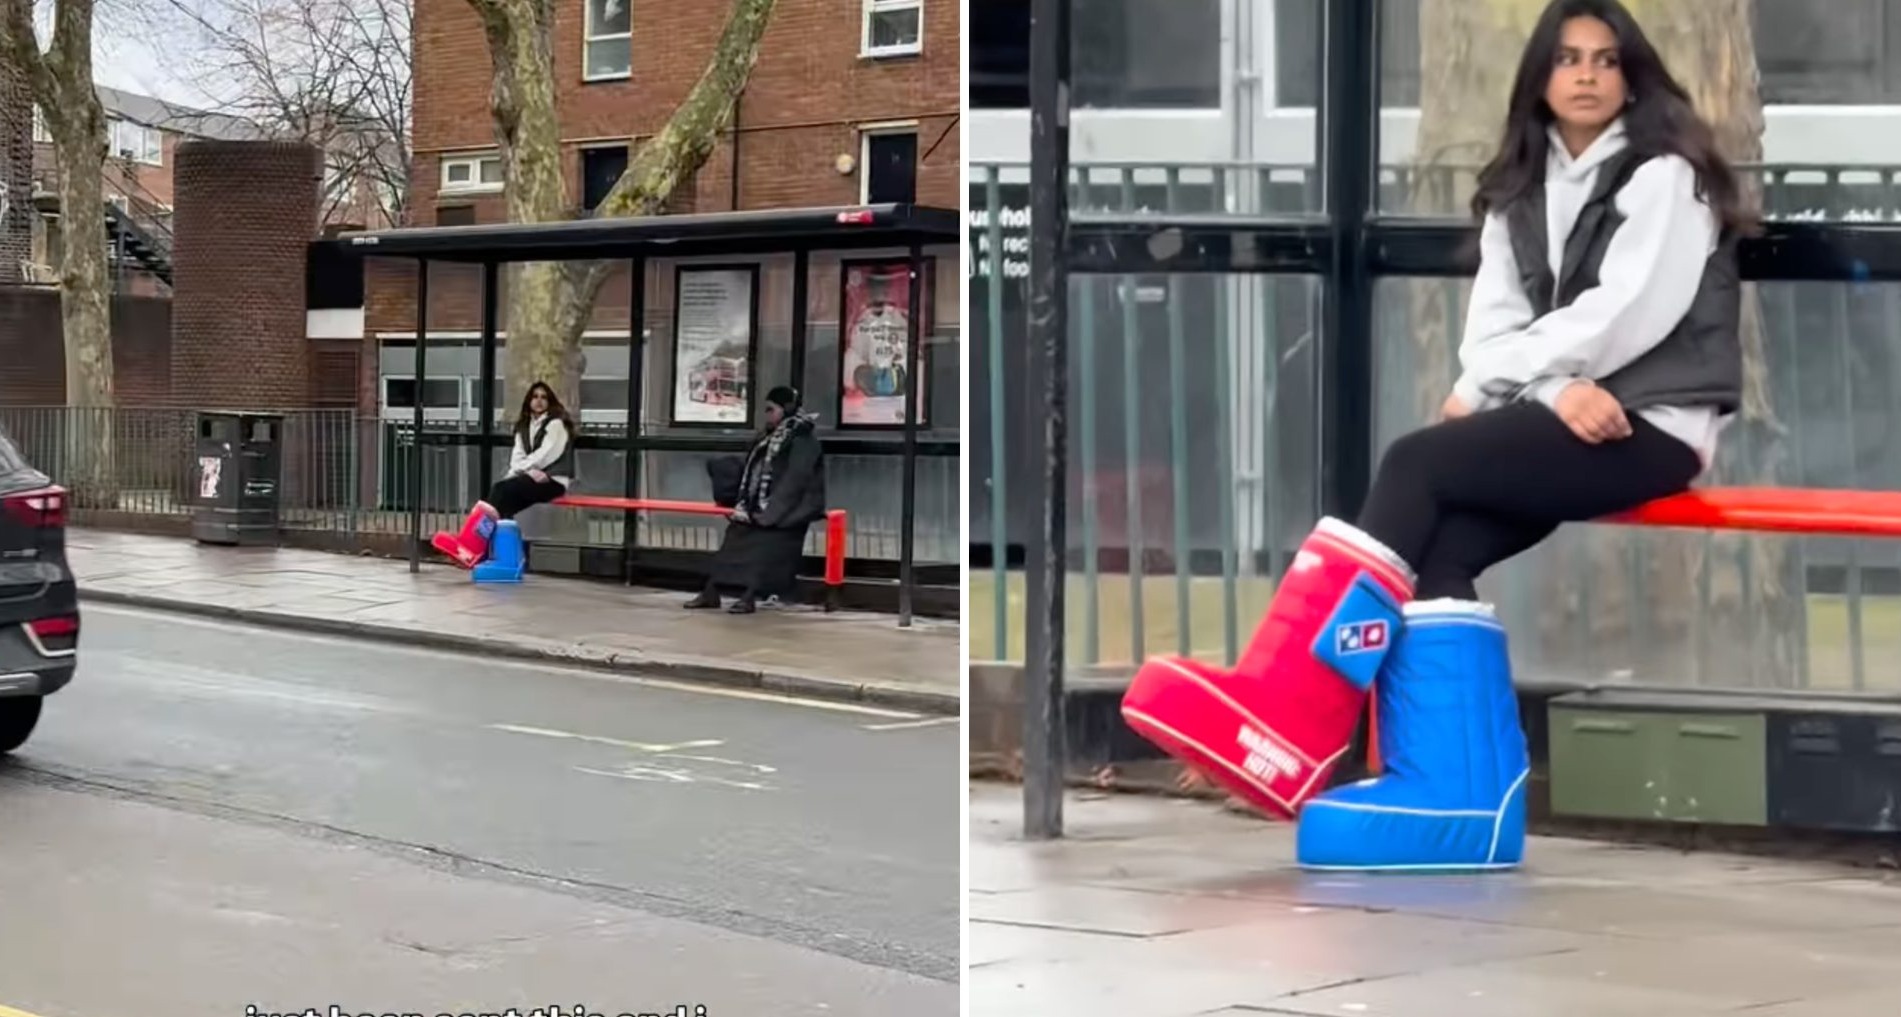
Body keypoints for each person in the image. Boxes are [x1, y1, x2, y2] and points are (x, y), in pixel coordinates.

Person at [1120, 0, 1754, 872]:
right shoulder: (1518, 190)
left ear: (1631, 76)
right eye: (1566, 58)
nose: (1585, 75)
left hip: (1650, 424)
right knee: (1439, 548)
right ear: (1538, 76)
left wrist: (1507, 387)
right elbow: (1487, 336)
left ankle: (1295, 710)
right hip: (1562, 412)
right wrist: (1550, 387)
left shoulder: (1664, 175)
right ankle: (1458, 794)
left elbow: (1625, 313)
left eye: (1605, 60)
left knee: (1415, 462)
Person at [686, 385, 826, 614]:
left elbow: (796, 480)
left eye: (771, 410)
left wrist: (771, 513)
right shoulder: (768, 436)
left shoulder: (802, 439)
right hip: (761, 505)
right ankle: (712, 591)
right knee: (733, 541)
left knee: (763, 550)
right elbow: (753, 468)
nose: (767, 415)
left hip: (790, 512)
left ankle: (748, 596)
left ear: (786, 409)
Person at [431, 381, 578, 569]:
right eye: (535, 397)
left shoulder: (556, 424)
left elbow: (547, 454)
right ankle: (497, 556)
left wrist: (528, 471)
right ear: (528, 401)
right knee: (502, 504)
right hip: (531, 477)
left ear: (550, 402)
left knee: (500, 491)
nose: (539, 401)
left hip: (553, 481)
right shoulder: (523, 426)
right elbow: (517, 458)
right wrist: (519, 473)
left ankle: (472, 544)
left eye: (544, 397)